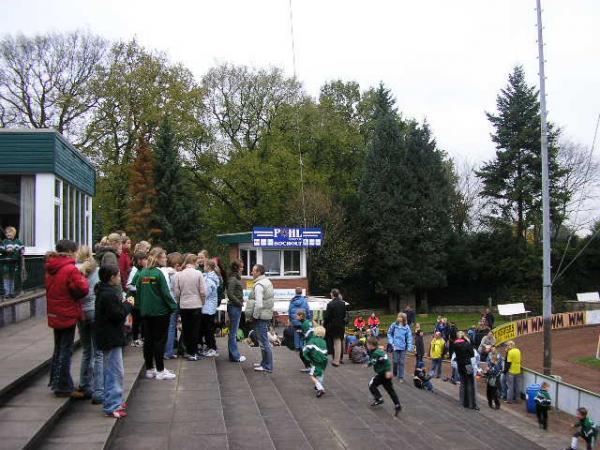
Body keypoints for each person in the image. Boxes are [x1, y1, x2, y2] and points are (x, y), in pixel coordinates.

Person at [45, 239, 90, 398]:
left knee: (58, 348)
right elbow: (82, 289)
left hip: (54, 311)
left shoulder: (51, 267)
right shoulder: (70, 269)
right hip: (67, 312)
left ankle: (56, 381)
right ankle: (63, 386)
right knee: (66, 349)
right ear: (71, 251)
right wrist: (82, 274)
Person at [94, 264, 133, 418]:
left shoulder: (102, 291)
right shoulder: (109, 295)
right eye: (118, 275)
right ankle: (112, 405)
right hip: (111, 336)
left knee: (113, 370)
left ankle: (113, 400)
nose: (120, 278)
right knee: (115, 371)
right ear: (112, 277)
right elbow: (117, 314)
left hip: (107, 335)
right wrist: (128, 304)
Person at [136, 247, 178, 381]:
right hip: (160, 313)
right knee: (160, 341)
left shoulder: (143, 273)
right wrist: (173, 307)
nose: (166, 259)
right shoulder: (159, 274)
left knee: (148, 341)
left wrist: (141, 306)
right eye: (164, 256)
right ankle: (160, 370)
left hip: (146, 312)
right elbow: (166, 293)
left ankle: (150, 369)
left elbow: (138, 289)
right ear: (159, 258)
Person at [74, 246, 103, 402]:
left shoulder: (74, 270)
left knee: (86, 350)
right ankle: (99, 389)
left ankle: (85, 384)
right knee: (98, 352)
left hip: (81, 312)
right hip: (94, 310)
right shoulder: (97, 271)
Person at [172, 254, 206, 361]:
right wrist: (202, 301)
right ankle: (193, 352)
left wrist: (180, 300)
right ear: (194, 262)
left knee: (186, 328)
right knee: (195, 329)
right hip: (196, 304)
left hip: (184, 305)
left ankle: (187, 351)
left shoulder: (179, 274)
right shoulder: (198, 273)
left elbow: (176, 292)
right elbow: (203, 291)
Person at [246, 264, 275, 372]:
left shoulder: (259, 285)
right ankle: (265, 363)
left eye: (253, 271)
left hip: (261, 317)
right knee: (264, 341)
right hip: (265, 315)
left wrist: (254, 316)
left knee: (263, 342)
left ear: (258, 272)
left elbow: (258, 304)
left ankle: (267, 366)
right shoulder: (267, 281)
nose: (251, 273)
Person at [365, 336, 401, 416]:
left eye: (367, 344)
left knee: (371, 384)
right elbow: (375, 359)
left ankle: (379, 398)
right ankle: (397, 405)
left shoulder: (376, 352)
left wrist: (388, 371)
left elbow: (386, 361)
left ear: (371, 345)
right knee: (390, 390)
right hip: (383, 374)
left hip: (383, 374)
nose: (366, 346)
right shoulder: (375, 351)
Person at [162, 253, 183, 359]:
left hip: (165, 302)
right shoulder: (175, 274)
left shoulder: (163, 272)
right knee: (171, 327)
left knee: (167, 327)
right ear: (176, 264)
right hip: (174, 302)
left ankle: (167, 350)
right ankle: (168, 351)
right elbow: (177, 290)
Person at [226, 259, 246, 363]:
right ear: (236, 268)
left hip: (235, 306)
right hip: (234, 307)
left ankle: (233, 355)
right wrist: (239, 302)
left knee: (232, 332)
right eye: (241, 267)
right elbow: (230, 293)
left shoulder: (234, 278)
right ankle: (235, 356)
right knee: (233, 333)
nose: (242, 269)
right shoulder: (233, 279)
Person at [127, 251, 148, 347]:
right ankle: (135, 339)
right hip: (134, 299)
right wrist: (139, 288)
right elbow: (129, 285)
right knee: (136, 320)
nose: (146, 261)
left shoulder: (143, 270)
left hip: (141, 300)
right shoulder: (134, 271)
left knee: (142, 319)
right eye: (145, 259)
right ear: (139, 261)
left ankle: (142, 338)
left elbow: (146, 281)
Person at [453, 331, 478, 410]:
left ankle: (463, 402)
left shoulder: (455, 344)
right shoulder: (467, 344)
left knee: (463, 383)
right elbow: (472, 354)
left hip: (460, 365)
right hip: (468, 365)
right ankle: (471, 404)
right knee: (470, 383)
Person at [288, 288, 312, 369]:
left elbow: (289, 311)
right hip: (303, 322)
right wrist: (308, 320)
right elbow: (308, 311)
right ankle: (303, 348)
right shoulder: (305, 301)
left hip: (295, 322)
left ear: (295, 292)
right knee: (303, 335)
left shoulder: (292, 301)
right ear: (301, 293)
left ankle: (298, 347)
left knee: (297, 334)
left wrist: (292, 320)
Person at [302, 325, 328, 398]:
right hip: (324, 360)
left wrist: (308, 358)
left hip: (316, 360)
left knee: (312, 375)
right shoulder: (324, 341)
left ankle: (320, 388)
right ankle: (318, 386)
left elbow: (305, 350)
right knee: (320, 372)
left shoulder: (312, 340)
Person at [201, 259, 220, 357]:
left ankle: (212, 348)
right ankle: (211, 347)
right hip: (210, 307)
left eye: (204, 265)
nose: (203, 267)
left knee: (208, 329)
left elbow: (206, 294)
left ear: (208, 267)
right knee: (208, 329)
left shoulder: (209, 279)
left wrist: (200, 300)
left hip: (207, 308)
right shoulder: (212, 277)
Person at [387, 312, 413, 382]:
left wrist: (410, 346)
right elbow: (389, 333)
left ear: (404, 319)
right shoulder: (394, 325)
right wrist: (391, 342)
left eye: (401, 317)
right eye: (398, 317)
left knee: (401, 362)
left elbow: (409, 337)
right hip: (395, 346)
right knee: (395, 361)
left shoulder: (406, 327)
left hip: (403, 347)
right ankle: (395, 372)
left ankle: (401, 377)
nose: (399, 318)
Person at [323, 288, 346, 367]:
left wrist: (324, 325)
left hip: (332, 326)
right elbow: (344, 315)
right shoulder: (343, 303)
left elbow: (327, 317)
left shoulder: (330, 304)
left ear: (332, 294)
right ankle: (337, 360)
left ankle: (333, 360)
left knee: (331, 342)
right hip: (340, 325)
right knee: (338, 342)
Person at [0, 226, 24, 299]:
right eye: (7, 233)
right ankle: (7, 293)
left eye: (10, 233)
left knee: (13, 278)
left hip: (15, 262)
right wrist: (6, 251)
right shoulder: (4, 242)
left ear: (14, 234)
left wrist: (18, 251)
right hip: (6, 262)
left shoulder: (18, 241)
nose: (8, 235)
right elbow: (1, 250)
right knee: (6, 278)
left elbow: (22, 249)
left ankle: (12, 292)